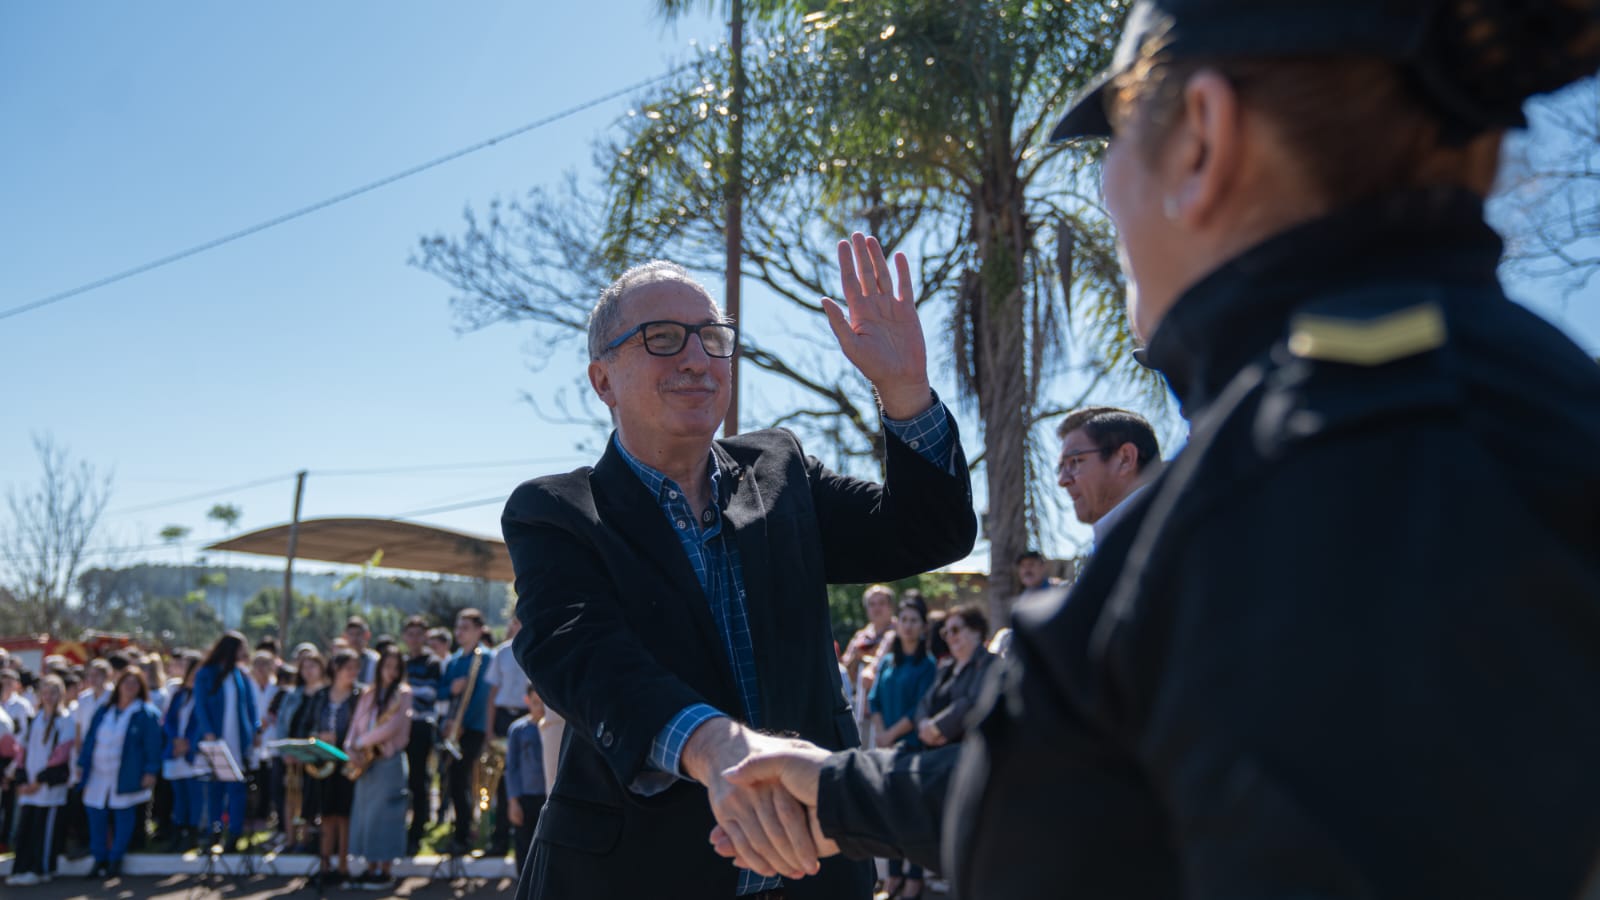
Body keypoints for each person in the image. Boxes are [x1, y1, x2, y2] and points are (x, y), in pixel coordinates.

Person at [709, 2, 1600, 897]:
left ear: (1204, 141)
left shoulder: (1313, 476)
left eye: (1117, 139)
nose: (1105, 186)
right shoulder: (1505, 399)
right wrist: (835, 790)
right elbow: (1110, 775)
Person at [503, 238, 977, 898]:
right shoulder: (554, 512)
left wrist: (904, 389)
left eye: (713, 337)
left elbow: (930, 533)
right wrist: (714, 746)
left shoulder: (780, 473)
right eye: (662, 338)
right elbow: (580, 651)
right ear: (602, 379)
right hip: (631, 877)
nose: (698, 359)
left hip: (817, 875)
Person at [865, 594, 937, 900]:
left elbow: (920, 707)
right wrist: (881, 733)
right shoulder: (889, 660)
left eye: (913, 621)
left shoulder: (928, 665)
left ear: (922, 627)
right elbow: (875, 699)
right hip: (886, 748)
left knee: (912, 817)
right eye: (904, 620)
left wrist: (892, 734)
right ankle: (892, 878)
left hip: (912, 749)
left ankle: (914, 879)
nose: (907, 626)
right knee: (890, 815)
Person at [78, 668, 161, 879]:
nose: (130, 687)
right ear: (119, 685)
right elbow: (90, 739)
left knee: (124, 814)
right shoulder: (104, 710)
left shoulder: (145, 713)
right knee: (96, 813)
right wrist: (82, 764)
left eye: (135, 683)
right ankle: (99, 858)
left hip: (126, 772)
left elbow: (153, 745)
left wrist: (150, 770)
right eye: (126, 683)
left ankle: (116, 858)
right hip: (99, 773)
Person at [345, 646, 412, 891]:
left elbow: (392, 727)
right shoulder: (368, 693)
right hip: (365, 762)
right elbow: (355, 724)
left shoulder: (403, 694)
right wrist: (350, 748)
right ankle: (370, 867)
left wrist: (362, 743)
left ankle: (385, 870)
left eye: (396, 668)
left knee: (387, 816)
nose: (391, 672)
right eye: (387, 666)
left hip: (387, 761)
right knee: (366, 815)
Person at [1053, 406, 1162, 547]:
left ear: (1125, 459)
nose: (1062, 480)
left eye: (1075, 461)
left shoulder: (1173, 538)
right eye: (1061, 468)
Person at [191, 631, 259, 851]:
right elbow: (200, 705)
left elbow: (251, 707)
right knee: (215, 789)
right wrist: (208, 731)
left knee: (237, 789)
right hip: (216, 740)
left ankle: (235, 833)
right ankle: (214, 832)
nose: (245, 653)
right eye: (241, 648)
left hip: (237, 742)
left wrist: (255, 730)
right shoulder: (207, 673)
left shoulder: (240, 675)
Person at [3, 675, 72, 886]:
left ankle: (41, 869)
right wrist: (22, 780)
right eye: (45, 692)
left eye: (53, 692)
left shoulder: (65, 720)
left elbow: (60, 755)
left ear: (60, 694)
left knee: (43, 830)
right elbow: (22, 751)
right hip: (30, 788)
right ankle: (21, 868)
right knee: (25, 829)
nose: (48, 696)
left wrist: (39, 782)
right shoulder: (35, 719)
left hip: (48, 788)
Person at [305, 648, 362, 887]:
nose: (352, 673)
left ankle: (343, 865)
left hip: (347, 761)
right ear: (336, 670)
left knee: (344, 814)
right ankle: (325, 864)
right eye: (348, 668)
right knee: (326, 812)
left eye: (355, 668)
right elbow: (308, 725)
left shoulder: (359, 696)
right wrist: (318, 737)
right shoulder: (321, 696)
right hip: (324, 761)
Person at [440, 609, 491, 855]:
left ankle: (468, 834)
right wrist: (450, 689)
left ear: (479, 630)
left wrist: (462, 723)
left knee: (470, 781)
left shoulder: (487, 659)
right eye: (458, 628)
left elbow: (484, 698)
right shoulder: (454, 661)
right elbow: (441, 693)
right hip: (453, 730)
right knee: (455, 782)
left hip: (475, 729)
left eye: (465, 628)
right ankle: (461, 830)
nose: (459, 633)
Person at [912, 605, 992, 749]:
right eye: (945, 632)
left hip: (967, 752)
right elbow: (924, 703)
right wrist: (924, 725)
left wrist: (937, 728)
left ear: (976, 631)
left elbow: (972, 702)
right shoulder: (945, 668)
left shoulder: (989, 663)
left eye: (955, 630)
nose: (950, 637)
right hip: (934, 750)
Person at [485, 613, 530, 857]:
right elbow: (492, 694)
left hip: (528, 716)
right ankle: (499, 839)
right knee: (502, 782)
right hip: (504, 719)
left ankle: (525, 837)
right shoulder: (502, 652)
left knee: (528, 778)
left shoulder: (537, 646)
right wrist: (489, 730)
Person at [400, 616, 441, 854]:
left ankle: (417, 830)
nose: (414, 639)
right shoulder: (403, 662)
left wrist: (404, 692)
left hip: (421, 727)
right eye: (410, 634)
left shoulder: (432, 662)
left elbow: (429, 694)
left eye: (419, 634)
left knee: (418, 779)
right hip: (400, 727)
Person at [283, 650, 328, 854]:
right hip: (292, 754)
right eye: (304, 667)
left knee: (310, 799)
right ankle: (290, 840)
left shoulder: (326, 694)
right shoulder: (293, 695)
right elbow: (284, 724)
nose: (308, 671)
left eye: (312, 666)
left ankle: (307, 838)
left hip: (315, 756)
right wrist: (286, 750)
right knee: (291, 797)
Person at [159, 651, 205, 851]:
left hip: (192, 753)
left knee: (194, 795)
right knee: (179, 795)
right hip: (175, 751)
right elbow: (168, 720)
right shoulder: (178, 693)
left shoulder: (204, 695)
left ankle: (193, 833)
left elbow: (201, 723)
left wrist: (188, 743)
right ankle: (179, 831)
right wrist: (175, 740)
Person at [502, 683, 546, 878]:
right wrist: (513, 802)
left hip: (548, 797)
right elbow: (511, 768)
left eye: (543, 702)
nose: (540, 708)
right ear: (527, 701)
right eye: (535, 702)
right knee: (524, 847)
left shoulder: (554, 729)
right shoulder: (518, 729)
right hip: (525, 798)